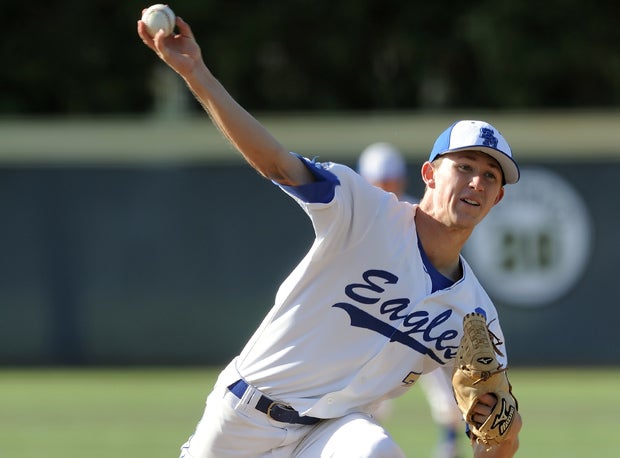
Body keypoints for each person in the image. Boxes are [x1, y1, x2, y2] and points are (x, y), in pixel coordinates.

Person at [137, 14, 522, 458]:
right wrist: (194, 71)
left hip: (334, 432)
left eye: (490, 176)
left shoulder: (475, 313)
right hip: (245, 418)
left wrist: (500, 434)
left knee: (378, 453)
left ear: (496, 200)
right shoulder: (364, 212)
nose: (477, 182)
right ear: (430, 174)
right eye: (465, 167)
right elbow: (278, 164)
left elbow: (497, 437)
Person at [358, 142, 464, 458]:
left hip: (423, 315)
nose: (386, 187)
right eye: (380, 181)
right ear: (367, 181)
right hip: (376, 319)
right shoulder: (358, 217)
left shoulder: (419, 213)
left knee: (446, 383)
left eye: (390, 180)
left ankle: (450, 444)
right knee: (366, 392)